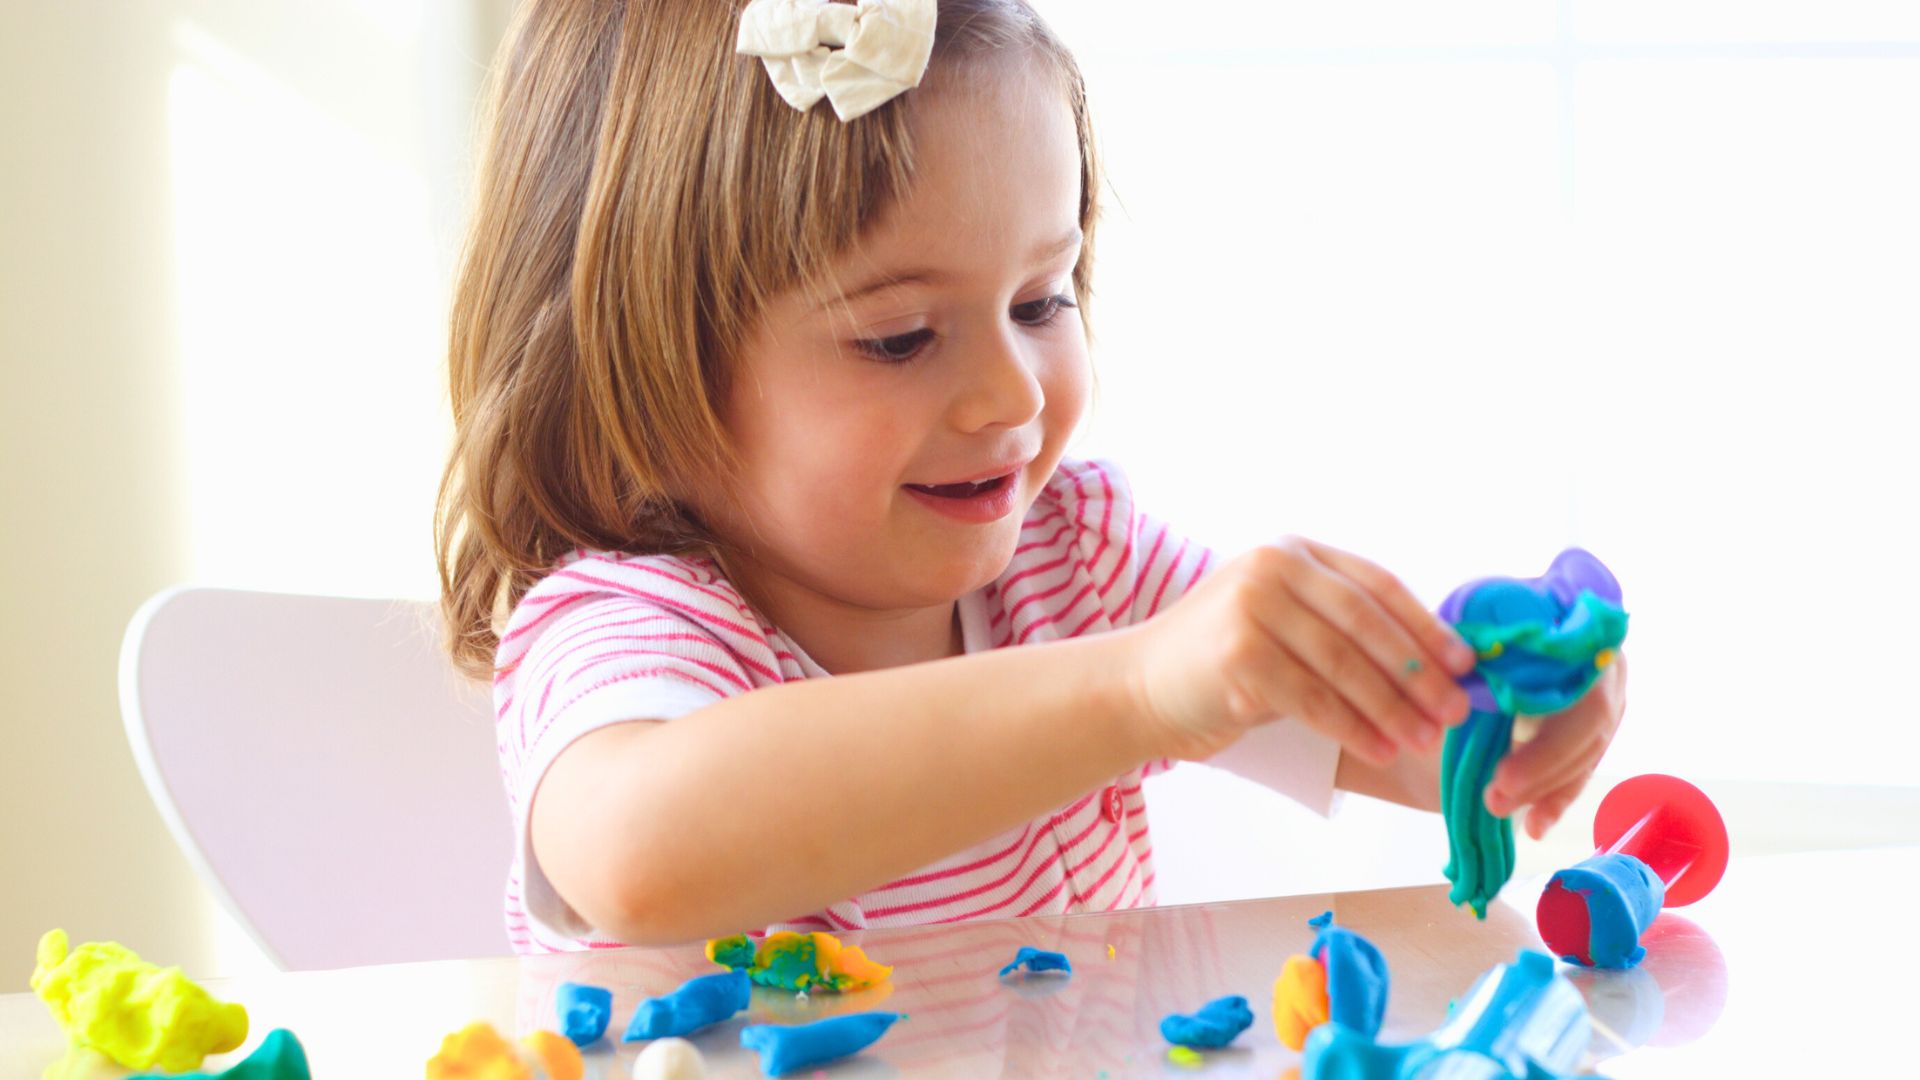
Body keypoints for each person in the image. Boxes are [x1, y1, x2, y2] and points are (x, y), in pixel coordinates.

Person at [434, 0, 1628, 953]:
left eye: (1041, 299)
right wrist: (1133, 691)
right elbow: (645, 854)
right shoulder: (628, 631)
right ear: (642, 363)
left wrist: (1517, 701)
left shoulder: (1077, 562)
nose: (1010, 396)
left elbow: (1402, 746)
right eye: (898, 337)